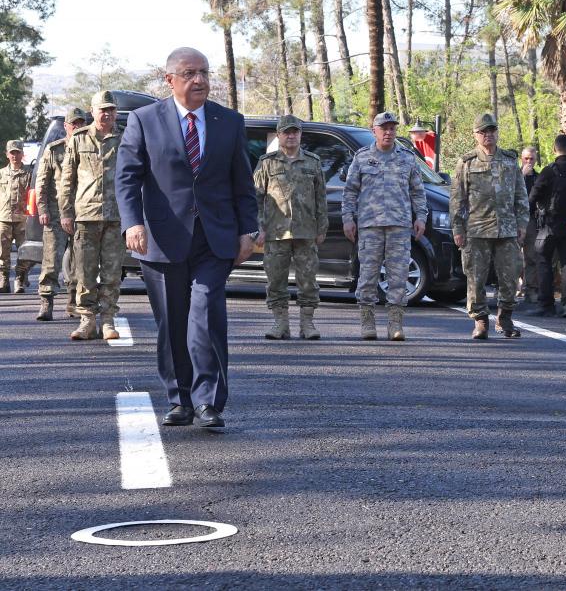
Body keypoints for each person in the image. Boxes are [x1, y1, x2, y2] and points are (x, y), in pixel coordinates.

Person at [116, 47, 258, 430]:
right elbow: (127, 177)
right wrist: (133, 222)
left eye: (205, 73)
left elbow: (242, 182)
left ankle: (208, 401)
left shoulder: (228, 121)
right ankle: (179, 399)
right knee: (172, 322)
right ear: (170, 79)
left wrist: (249, 230)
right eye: (190, 73)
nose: (200, 81)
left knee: (207, 314)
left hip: (214, 238)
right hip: (161, 238)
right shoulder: (145, 120)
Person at [341, 112, 427, 342]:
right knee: (368, 276)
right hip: (370, 226)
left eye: (392, 128)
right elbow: (350, 192)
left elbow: (418, 192)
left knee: (398, 276)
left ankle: (395, 323)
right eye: (384, 128)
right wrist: (348, 218)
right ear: (374, 131)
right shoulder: (361, 158)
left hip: (399, 226)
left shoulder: (407, 159)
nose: (388, 132)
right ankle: (367, 322)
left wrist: (421, 217)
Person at [450, 113, 530, 340]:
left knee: (510, 276)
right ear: (476, 135)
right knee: (476, 278)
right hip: (476, 229)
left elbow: (520, 195)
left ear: (497, 132)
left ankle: (505, 318)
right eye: (483, 132)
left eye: (492, 131)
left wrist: (522, 223)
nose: (488, 135)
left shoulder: (509, 160)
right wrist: (458, 228)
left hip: (507, 230)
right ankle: (481, 321)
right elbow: (458, 199)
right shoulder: (467, 162)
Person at [254, 115, 327, 341]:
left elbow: (321, 198)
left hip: (306, 231)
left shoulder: (313, 162)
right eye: (287, 132)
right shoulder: (267, 163)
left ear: (300, 134)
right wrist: (258, 227)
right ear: (279, 135)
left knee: (308, 280)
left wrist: (322, 227)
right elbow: (255, 198)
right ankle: (280, 324)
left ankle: (307, 324)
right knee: (276, 279)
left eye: (295, 131)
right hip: (276, 232)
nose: (291, 135)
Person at [60, 91, 126, 341]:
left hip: (115, 216)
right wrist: (66, 212)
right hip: (85, 215)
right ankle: (87, 320)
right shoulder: (78, 139)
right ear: (92, 111)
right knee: (84, 272)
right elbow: (67, 180)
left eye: (111, 109)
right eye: (102, 109)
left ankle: (108, 320)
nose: (107, 113)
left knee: (111, 272)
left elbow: (135, 177)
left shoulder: (124, 138)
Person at [36, 107, 88, 321]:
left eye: (80, 123)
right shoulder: (54, 149)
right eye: (73, 123)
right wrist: (42, 209)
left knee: (80, 261)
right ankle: (46, 302)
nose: (77, 127)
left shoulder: (89, 148)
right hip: (56, 213)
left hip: (82, 212)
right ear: (66, 126)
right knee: (51, 261)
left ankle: (73, 303)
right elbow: (42, 181)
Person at [528, 134, 566, 318]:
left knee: (543, 261)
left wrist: (529, 214)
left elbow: (533, 195)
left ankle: (546, 304)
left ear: (554, 149)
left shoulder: (549, 171)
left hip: (549, 225)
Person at [0, 140, 32, 294]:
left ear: (22, 154)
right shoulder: (1, 173)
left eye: (18, 152)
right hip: (4, 218)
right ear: (7, 154)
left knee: (23, 252)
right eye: (12, 152)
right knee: (2, 252)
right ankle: (4, 280)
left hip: (23, 219)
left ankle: (19, 280)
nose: (15, 155)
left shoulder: (29, 174)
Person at [517, 146, 540, 304]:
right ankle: (506, 289)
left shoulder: (539, 177)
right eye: (526, 158)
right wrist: (521, 176)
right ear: (521, 159)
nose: (529, 161)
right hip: (513, 219)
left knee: (531, 256)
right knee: (510, 257)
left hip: (531, 220)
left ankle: (530, 290)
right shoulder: (514, 175)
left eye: (531, 158)